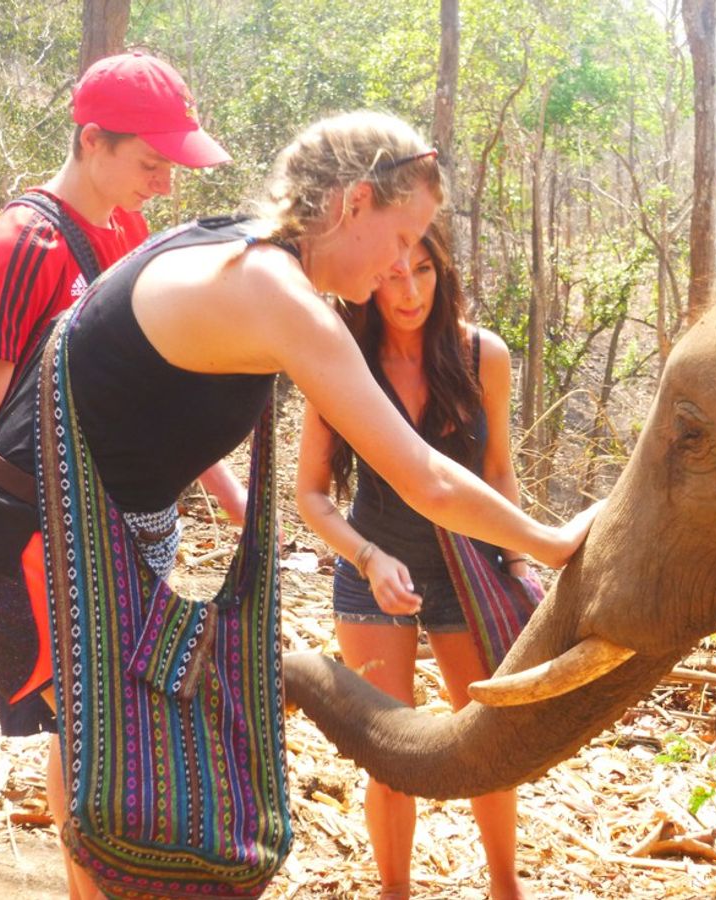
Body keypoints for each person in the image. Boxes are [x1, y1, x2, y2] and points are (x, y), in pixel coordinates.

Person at [0, 110, 596, 900]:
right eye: (399, 238)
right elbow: (424, 476)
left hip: (85, 539)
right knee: (128, 781)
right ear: (355, 203)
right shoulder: (274, 292)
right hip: (32, 546)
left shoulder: (233, 248)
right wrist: (552, 543)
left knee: (122, 764)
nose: (399, 267)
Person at [295, 220, 533, 900]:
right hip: (377, 566)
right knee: (391, 751)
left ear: (444, 272)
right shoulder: (340, 360)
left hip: (471, 570)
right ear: (370, 280)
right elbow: (310, 496)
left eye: (423, 271)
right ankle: (394, 890)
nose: (409, 291)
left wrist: (516, 564)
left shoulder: (483, 355)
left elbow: (497, 470)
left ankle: (505, 887)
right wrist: (368, 558)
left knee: (487, 740)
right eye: (393, 275)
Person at [0, 50, 245, 517]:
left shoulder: (131, 231)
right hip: (29, 519)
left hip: (107, 511)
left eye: (171, 167)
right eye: (151, 164)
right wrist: (31, 546)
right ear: (94, 140)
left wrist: (231, 496)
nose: (164, 184)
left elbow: (149, 383)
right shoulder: (22, 247)